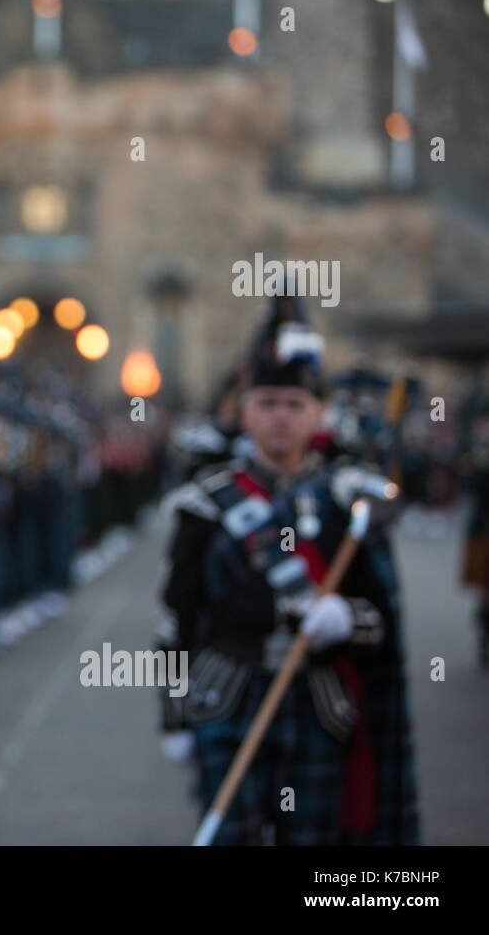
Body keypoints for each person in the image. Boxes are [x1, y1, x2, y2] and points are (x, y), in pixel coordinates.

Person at [155, 293, 419, 845]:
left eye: (295, 405)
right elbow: (178, 617)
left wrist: (347, 619)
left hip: (318, 703)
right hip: (227, 696)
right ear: (245, 410)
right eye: (268, 402)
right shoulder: (205, 502)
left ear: (318, 414)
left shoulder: (349, 503)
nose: (280, 417)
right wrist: (175, 716)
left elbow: (385, 624)